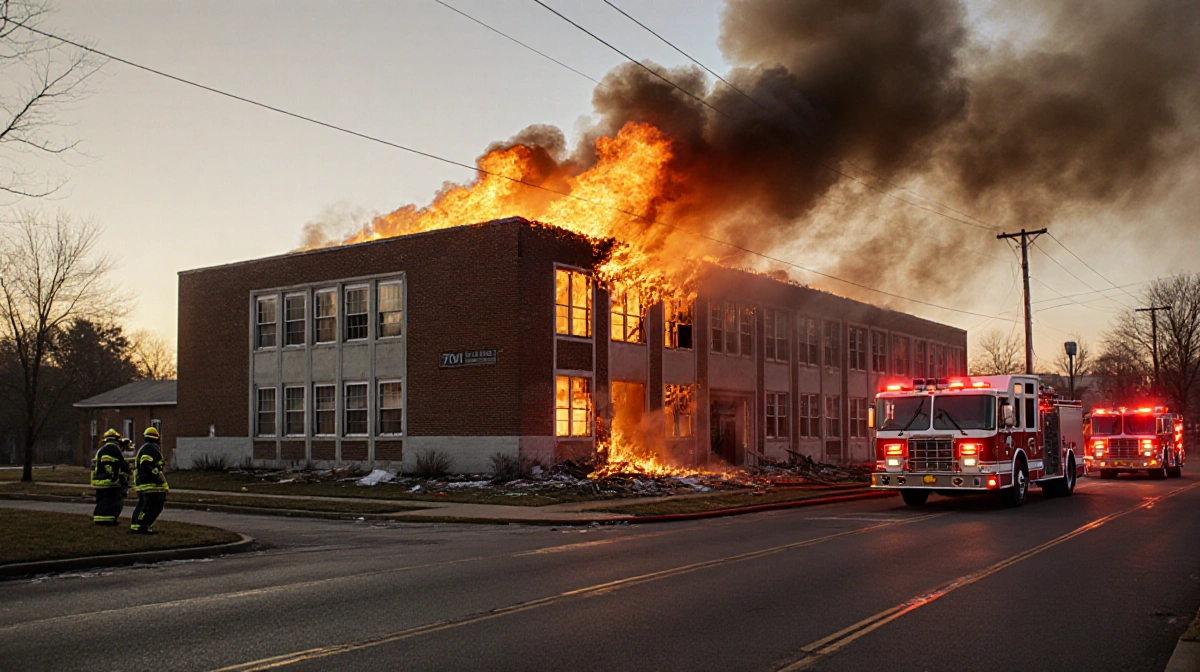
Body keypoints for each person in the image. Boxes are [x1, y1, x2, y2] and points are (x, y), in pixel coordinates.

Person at [130, 426, 169, 534]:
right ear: (157, 438)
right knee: (154, 505)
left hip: (142, 483)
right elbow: (146, 464)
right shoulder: (151, 448)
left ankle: (136, 525)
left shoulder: (145, 447)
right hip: (150, 484)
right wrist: (156, 474)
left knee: (143, 504)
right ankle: (144, 525)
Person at [90, 429, 131, 526]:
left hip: (100, 481)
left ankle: (101, 519)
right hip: (110, 482)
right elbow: (111, 464)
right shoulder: (113, 448)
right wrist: (117, 476)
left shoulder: (102, 449)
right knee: (113, 502)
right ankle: (108, 521)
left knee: (102, 502)